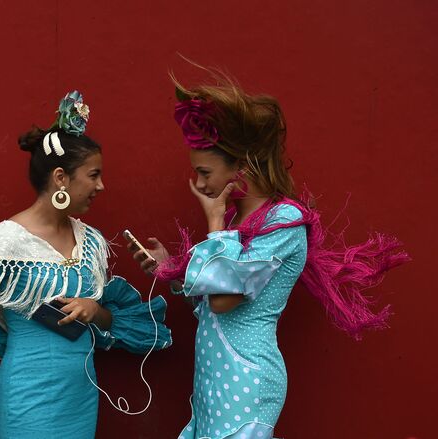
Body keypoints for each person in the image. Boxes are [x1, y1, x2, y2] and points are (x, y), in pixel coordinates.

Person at [128, 70, 408, 439]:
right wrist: (173, 272)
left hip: (247, 374)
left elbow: (226, 299)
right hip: (216, 373)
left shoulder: (285, 221)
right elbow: (212, 303)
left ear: (242, 167)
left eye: (204, 172)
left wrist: (214, 225)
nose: (199, 184)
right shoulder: (237, 219)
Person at [0, 90, 172, 439]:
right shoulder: (7, 243)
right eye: (94, 174)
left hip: (81, 397)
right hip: (27, 396)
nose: (101, 185)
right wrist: (11, 343)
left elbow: (103, 320)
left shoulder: (91, 240)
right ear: (61, 179)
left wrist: (94, 311)